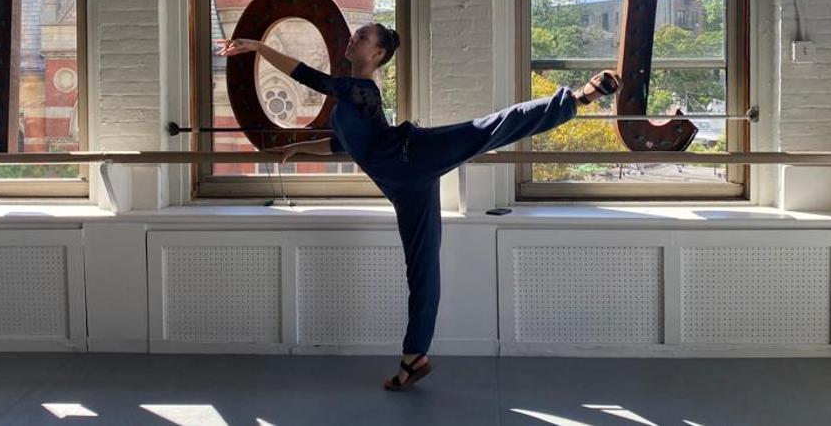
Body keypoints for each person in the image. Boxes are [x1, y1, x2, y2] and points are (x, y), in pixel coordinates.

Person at [217, 25, 620, 390]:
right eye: (355, 35)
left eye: (362, 38)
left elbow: (308, 76)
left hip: (411, 155)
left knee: (487, 129)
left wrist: (257, 46)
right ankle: (414, 357)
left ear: (377, 56)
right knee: (423, 267)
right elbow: (346, 144)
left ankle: (579, 97)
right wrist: (299, 146)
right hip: (401, 183)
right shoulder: (351, 102)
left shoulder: (361, 90)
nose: (353, 39)